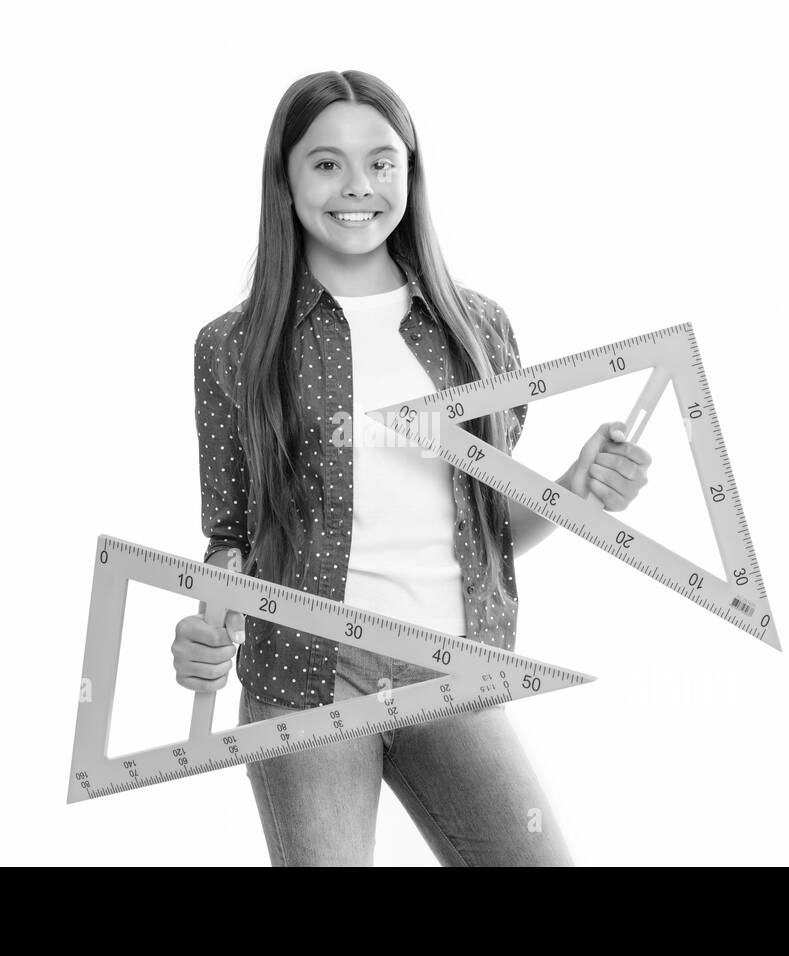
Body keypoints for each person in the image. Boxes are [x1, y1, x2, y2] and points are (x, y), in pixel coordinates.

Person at [173, 70, 652, 866]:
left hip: (455, 666)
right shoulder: (230, 345)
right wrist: (205, 626)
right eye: (326, 163)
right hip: (306, 672)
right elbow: (230, 538)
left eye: (382, 162)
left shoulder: (479, 329)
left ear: (411, 172)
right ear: (284, 180)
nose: (357, 186)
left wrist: (572, 488)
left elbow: (482, 534)